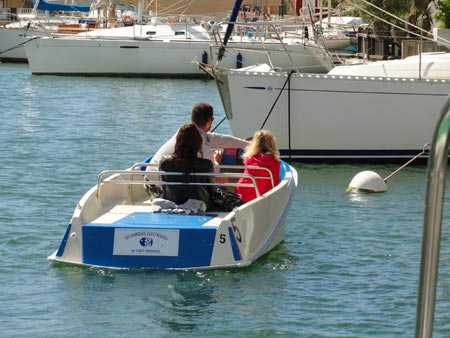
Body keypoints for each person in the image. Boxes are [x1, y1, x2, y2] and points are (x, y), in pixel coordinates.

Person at [150, 102, 249, 166]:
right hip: (162, 185)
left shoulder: (184, 133)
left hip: (151, 178)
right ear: (209, 120)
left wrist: (249, 144)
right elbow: (215, 176)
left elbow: (222, 140)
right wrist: (216, 160)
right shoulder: (200, 145)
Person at [159, 123, 216, 209]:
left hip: (173, 202)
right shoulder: (206, 164)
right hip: (201, 204)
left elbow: (164, 187)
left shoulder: (165, 162)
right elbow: (212, 190)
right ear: (198, 142)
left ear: (178, 141)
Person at [235, 130, 281, 203]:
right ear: (272, 144)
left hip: (241, 191)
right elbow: (275, 183)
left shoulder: (249, 158)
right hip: (259, 196)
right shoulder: (274, 162)